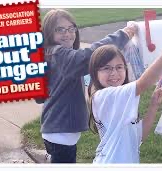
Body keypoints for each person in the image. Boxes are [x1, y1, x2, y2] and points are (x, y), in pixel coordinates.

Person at [36, 9, 137, 163]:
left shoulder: (52, 54)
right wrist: (122, 35)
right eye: (60, 29)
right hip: (61, 135)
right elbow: (86, 57)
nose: (67, 34)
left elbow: (40, 96)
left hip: (57, 131)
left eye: (71, 28)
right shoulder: (58, 53)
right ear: (49, 33)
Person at [88, 27, 162, 163]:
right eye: (107, 68)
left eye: (119, 67)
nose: (114, 73)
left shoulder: (120, 98)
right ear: (95, 73)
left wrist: (153, 105)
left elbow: (139, 136)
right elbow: (144, 83)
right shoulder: (102, 97)